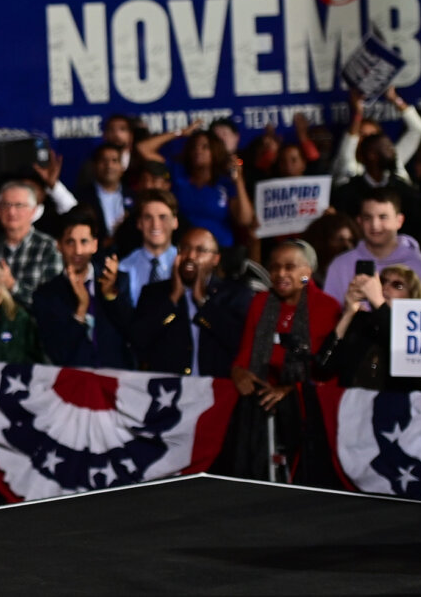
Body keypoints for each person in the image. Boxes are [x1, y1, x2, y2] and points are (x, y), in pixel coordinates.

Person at [228, 240, 341, 482]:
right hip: (263, 402)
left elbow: (329, 371)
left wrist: (292, 390)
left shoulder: (326, 307)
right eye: (275, 267)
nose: (280, 274)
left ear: (307, 272)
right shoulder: (260, 303)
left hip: (306, 406)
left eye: (290, 267)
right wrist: (239, 372)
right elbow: (245, 354)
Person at [132, 227, 252, 377]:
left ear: (216, 259)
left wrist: (202, 301)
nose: (190, 256)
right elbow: (139, 340)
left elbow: (238, 342)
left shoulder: (235, 294)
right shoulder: (154, 293)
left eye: (200, 250)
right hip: (168, 392)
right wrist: (173, 298)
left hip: (216, 392)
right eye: (185, 248)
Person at [30, 207, 132, 369]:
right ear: (59, 246)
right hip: (72, 386)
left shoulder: (116, 280)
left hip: (118, 382)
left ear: (95, 244)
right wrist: (81, 309)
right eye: (70, 242)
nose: (77, 251)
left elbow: (132, 334)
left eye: (84, 242)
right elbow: (58, 354)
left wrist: (110, 295)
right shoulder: (46, 295)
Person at [137, 126, 253, 251]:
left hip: (220, 250)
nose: (198, 150)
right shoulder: (178, 173)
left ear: (215, 151)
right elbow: (143, 149)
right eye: (194, 147)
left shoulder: (225, 183)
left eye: (205, 147)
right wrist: (180, 132)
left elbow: (245, 220)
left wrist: (238, 180)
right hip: (183, 250)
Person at [318, 264, 421, 390]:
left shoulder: (417, 332)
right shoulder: (361, 321)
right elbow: (322, 369)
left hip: (396, 405)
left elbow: (418, 382)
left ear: (412, 297)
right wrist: (349, 312)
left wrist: (379, 303)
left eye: (397, 285)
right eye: (382, 282)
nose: (386, 287)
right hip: (352, 405)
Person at [323, 188, 421, 301]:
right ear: (359, 222)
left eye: (383, 217)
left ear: (399, 221)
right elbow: (328, 315)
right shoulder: (340, 265)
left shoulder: (420, 266)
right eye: (368, 218)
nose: (375, 225)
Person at [0, 181, 62, 309]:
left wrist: (13, 285)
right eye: (6, 205)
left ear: (33, 211)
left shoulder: (49, 247)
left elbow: (52, 303)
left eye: (19, 205)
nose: (12, 212)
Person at [117, 189, 180, 306]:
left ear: (175, 222)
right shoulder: (124, 267)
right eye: (148, 217)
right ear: (139, 223)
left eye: (163, 217)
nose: (155, 225)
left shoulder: (185, 265)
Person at [73, 143, 131, 243]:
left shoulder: (134, 196)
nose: (109, 165)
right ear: (94, 166)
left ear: (122, 167)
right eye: (103, 160)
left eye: (114, 160)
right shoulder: (81, 197)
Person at [301, 212, 359, 288]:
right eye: (340, 240)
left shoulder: (354, 273)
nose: (348, 246)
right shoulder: (305, 276)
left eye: (350, 240)